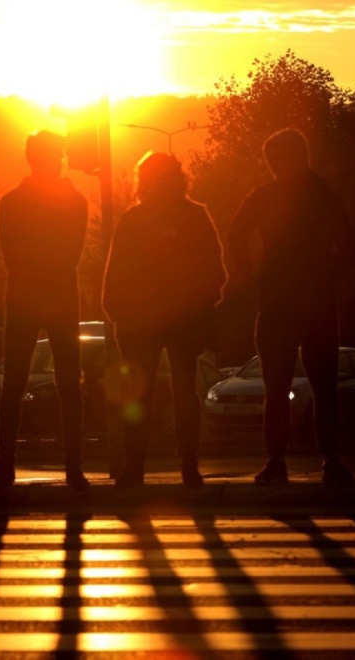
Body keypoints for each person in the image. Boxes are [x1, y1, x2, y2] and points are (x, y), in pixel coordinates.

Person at [225, 127, 355, 484]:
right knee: (324, 386)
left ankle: (277, 460)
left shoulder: (265, 196)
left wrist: (255, 273)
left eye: (276, 158)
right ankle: (330, 460)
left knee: (277, 385)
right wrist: (325, 274)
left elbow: (235, 235)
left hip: (278, 304)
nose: (274, 165)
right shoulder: (323, 196)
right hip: (316, 303)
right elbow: (349, 247)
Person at [102, 152, 226, 489]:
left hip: (147, 321)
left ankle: (137, 467)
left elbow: (114, 276)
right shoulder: (194, 217)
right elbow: (216, 272)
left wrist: (118, 313)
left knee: (141, 395)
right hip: (177, 320)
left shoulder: (134, 219)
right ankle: (187, 466)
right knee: (184, 392)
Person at [0, 130, 90, 492]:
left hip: (25, 298)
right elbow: (71, 254)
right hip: (58, 296)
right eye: (57, 155)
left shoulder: (12, 202)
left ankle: (6, 469)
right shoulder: (74, 202)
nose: (60, 161)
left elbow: (12, 256)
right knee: (66, 384)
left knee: (14, 384)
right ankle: (73, 468)